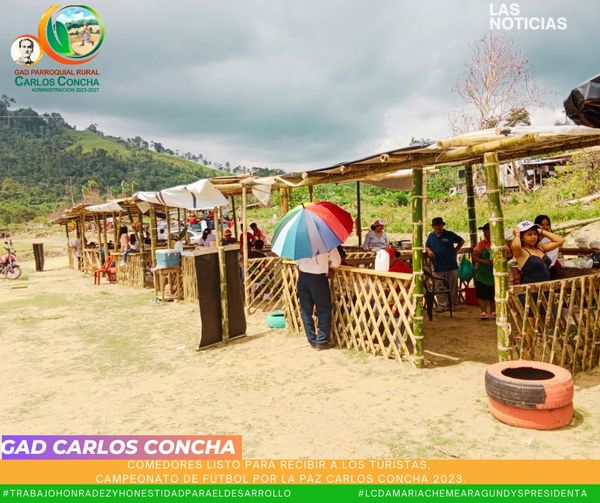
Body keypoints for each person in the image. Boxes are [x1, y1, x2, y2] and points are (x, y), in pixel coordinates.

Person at [296, 248, 341, 350]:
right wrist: (328, 264)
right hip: (318, 278)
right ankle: (321, 341)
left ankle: (312, 340)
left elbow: (297, 263)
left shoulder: (301, 242)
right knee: (324, 310)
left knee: (306, 311)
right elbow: (336, 262)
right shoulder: (327, 243)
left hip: (303, 277)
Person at [425, 217, 464, 312]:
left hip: (451, 265)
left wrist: (456, 250)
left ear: (442, 225)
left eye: (439, 225)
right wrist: (429, 251)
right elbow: (427, 246)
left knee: (452, 286)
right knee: (439, 286)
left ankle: (453, 304)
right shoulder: (431, 236)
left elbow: (461, 241)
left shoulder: (449, 234)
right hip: (438, 265)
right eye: (436, 225)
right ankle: (442, 305)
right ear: (433, 226)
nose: (438, 227)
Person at [511, 220, 564, 285]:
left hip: (544, 288)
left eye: (535, 234)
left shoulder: (540, 248)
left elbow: (560, 241)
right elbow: (516, 246)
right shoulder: (522, 253)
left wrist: (541, 231)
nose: (533, 237)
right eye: (529, 234)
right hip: (530, 289)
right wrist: (517, 234)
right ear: (522, 238)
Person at [472, 223, 495, 320]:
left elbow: (509, 254)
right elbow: (474, 256)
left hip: (495, 272)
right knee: (482, 292)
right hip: (483, 272)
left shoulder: (501, 243)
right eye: (484, 232)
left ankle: (493, 311)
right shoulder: (481, 244)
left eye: (487, 232)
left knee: (494, 291)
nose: (485, 234)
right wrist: (485, 262)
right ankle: (483, 311)